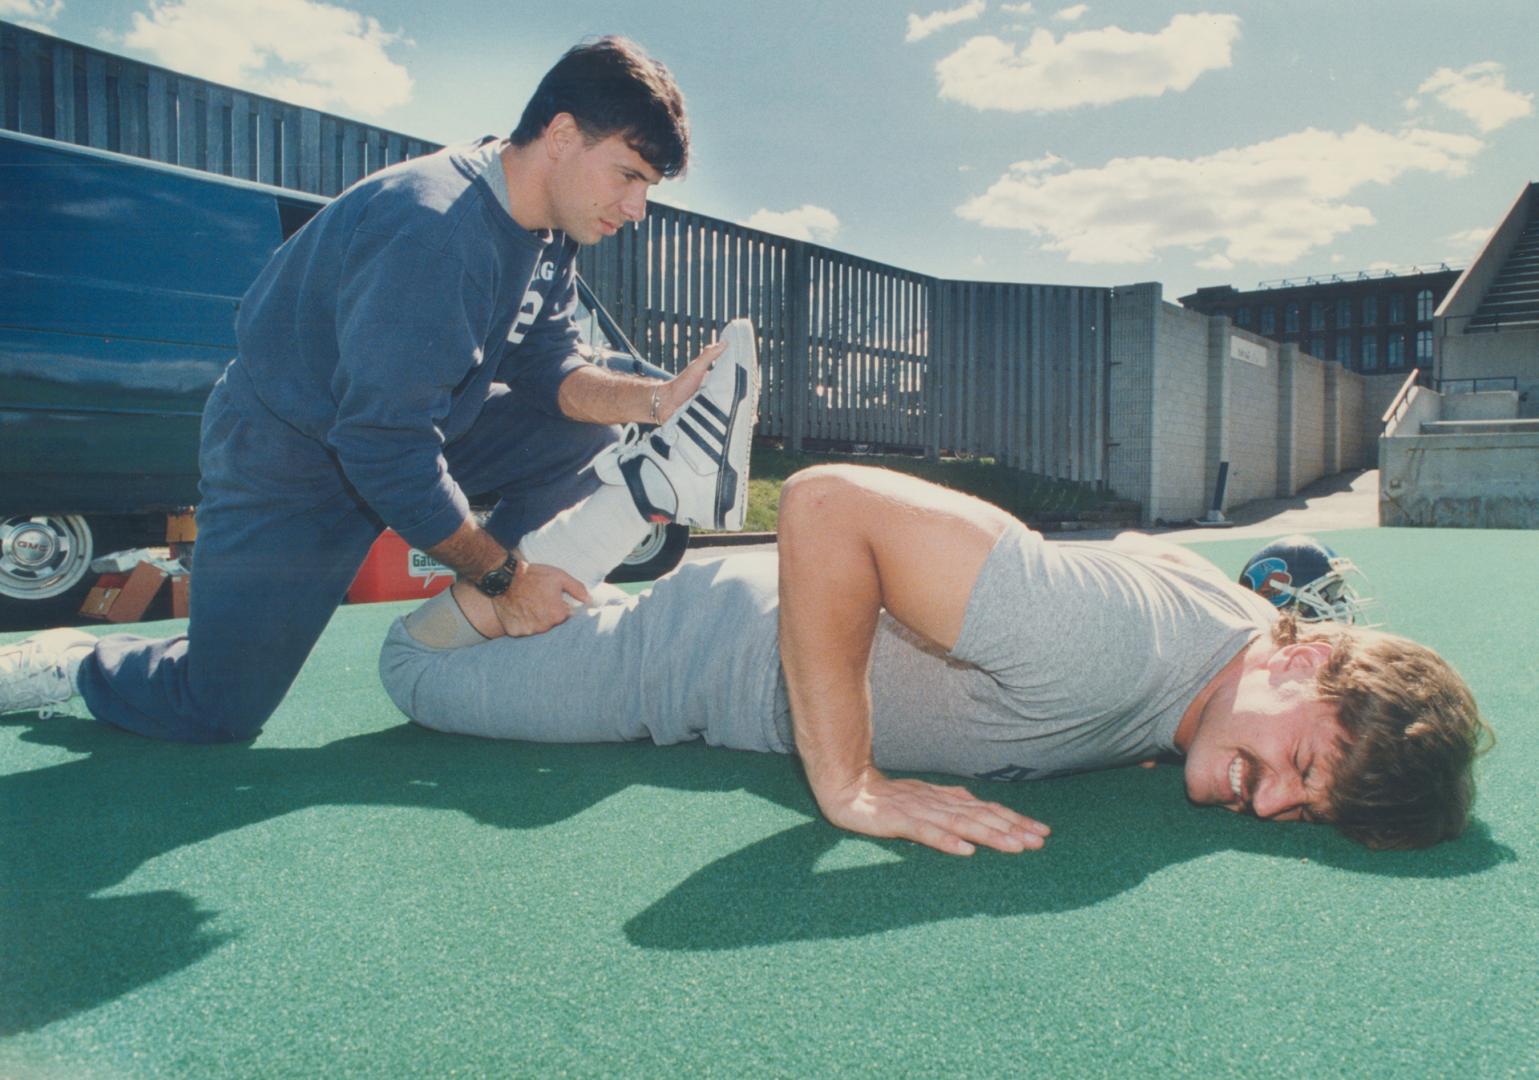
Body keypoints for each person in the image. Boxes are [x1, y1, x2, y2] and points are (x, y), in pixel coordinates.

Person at [0, 37, 758, 741]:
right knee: (217, 709)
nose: (636, 208)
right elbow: (383, 449)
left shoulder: (548, 225)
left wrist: (655, 401)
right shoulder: (431, 230)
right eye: (629, 176)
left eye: (647, 186)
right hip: (288, 464)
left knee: (580, 428)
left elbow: (550, 368)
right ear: (561, 136)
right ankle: (80, 662)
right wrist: (504, 572)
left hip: (404, 433)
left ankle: (488, 626)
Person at [378, 465, 1491, 856]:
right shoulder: (1103, 647)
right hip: (698, 663)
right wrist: (848, 781)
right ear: (1310, 662)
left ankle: (566, 585)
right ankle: (543, 561)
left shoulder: (1226, 649)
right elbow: (827, 501)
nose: (1272, 801)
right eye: (1302, 761)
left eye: (1306, 808)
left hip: (756, 612)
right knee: (412, 676)